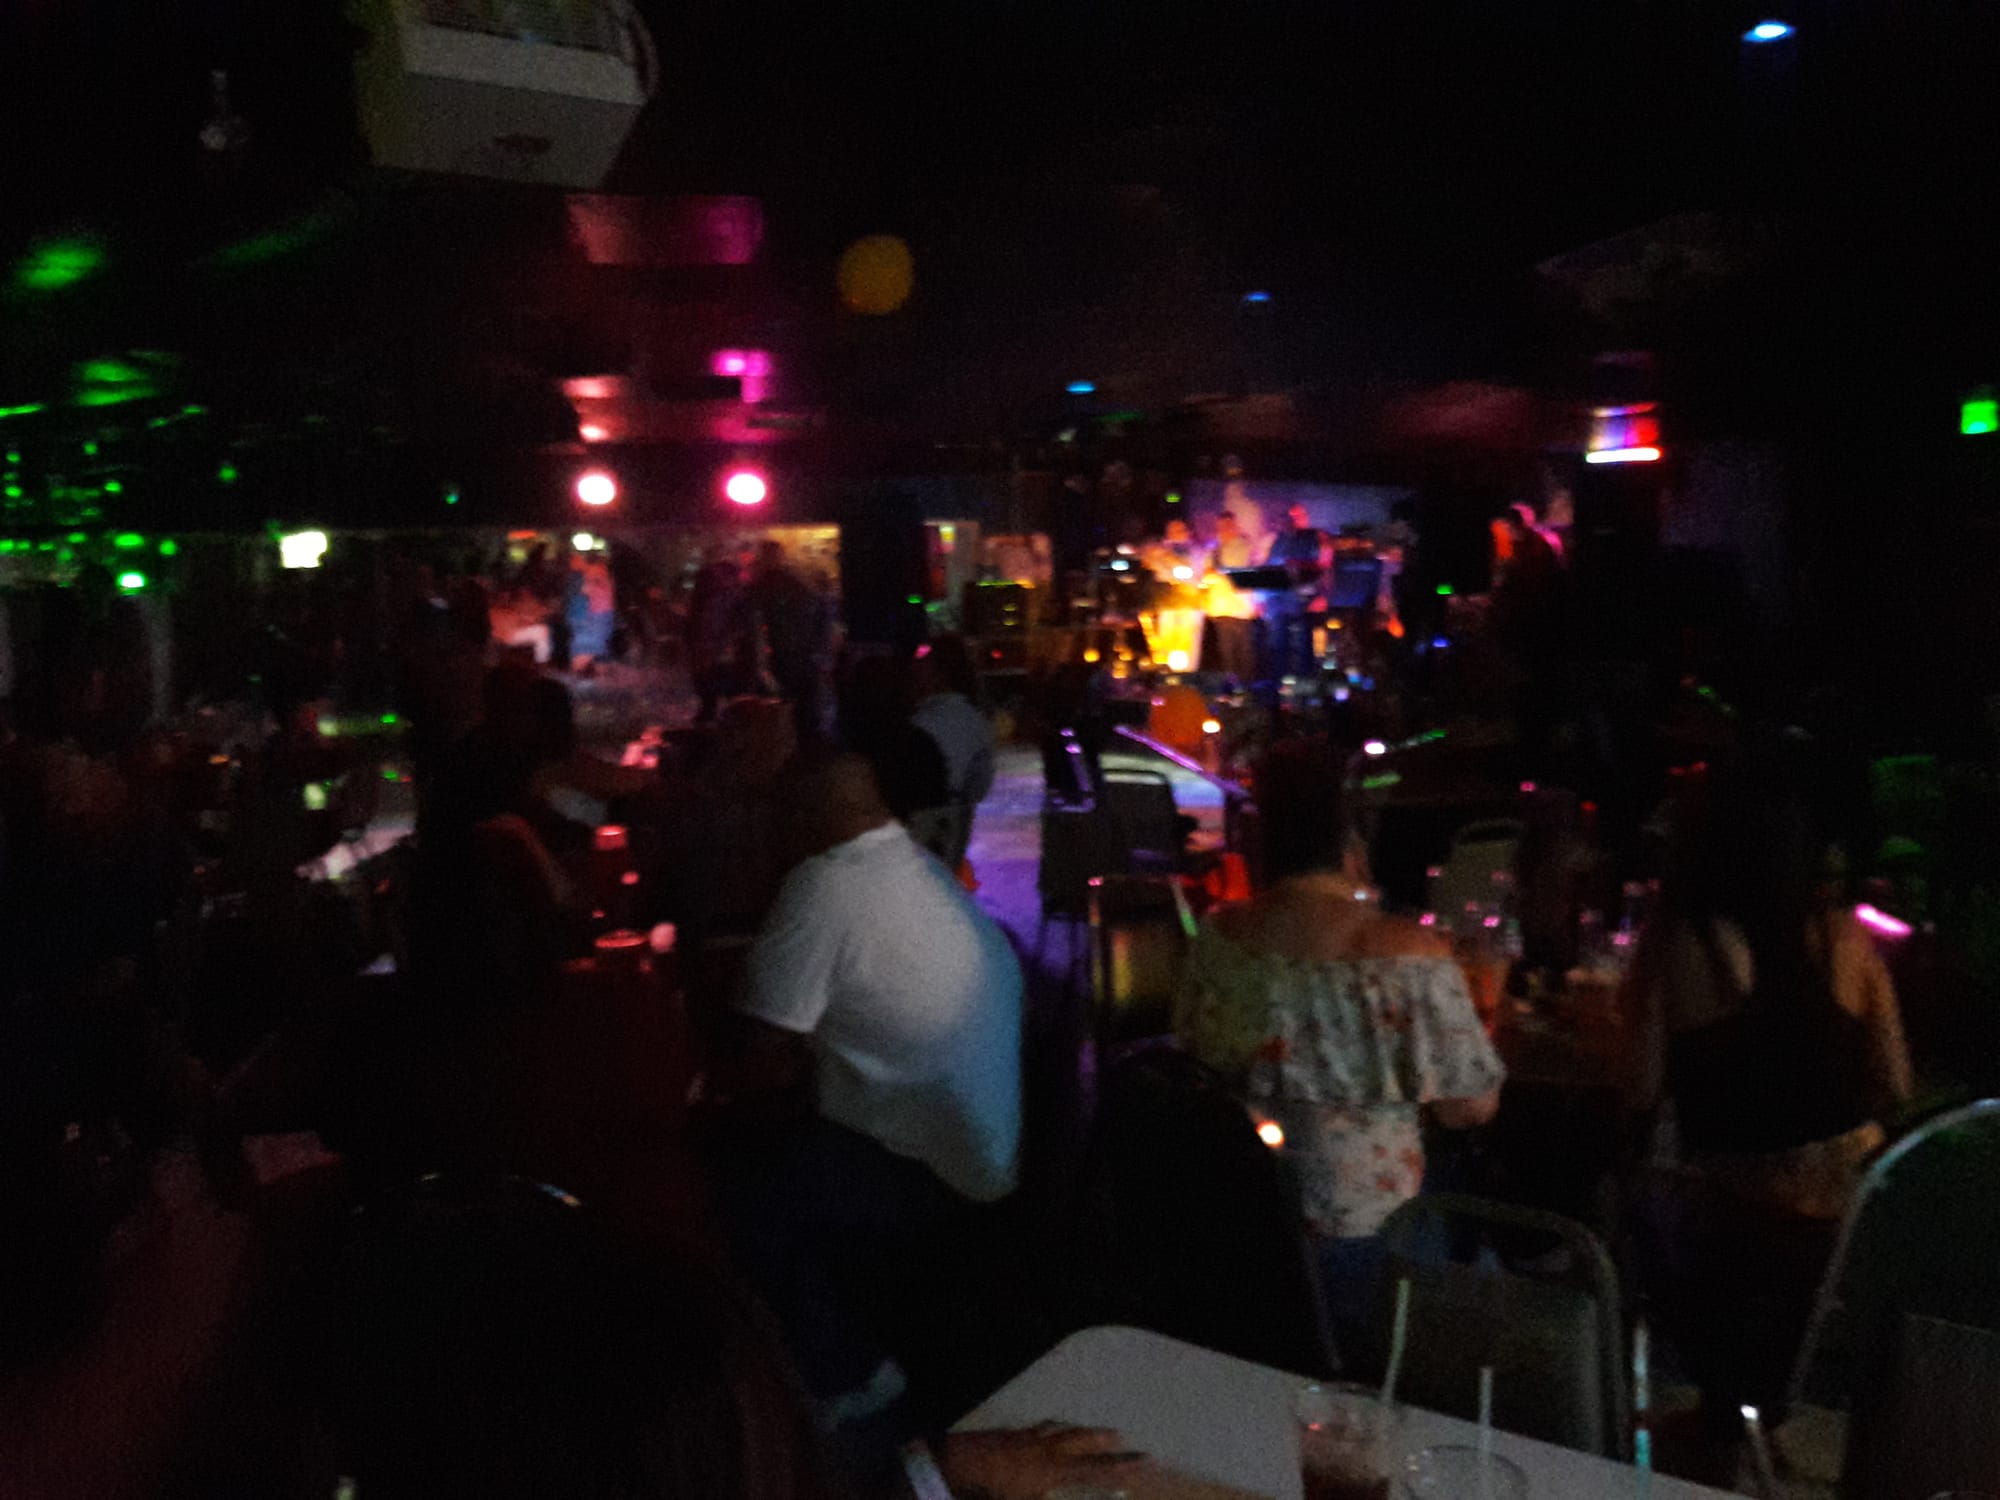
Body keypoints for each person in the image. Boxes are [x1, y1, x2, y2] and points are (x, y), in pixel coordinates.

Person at [710, 752, 1024, 1420]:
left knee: (735, 1181)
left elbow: (758, 1053)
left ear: (801, 817)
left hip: (936, 1170)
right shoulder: (914, 864)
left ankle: (846, 1374)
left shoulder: (825, 882)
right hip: (988, 1149)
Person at [1173, 742, 1503, 1354]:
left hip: (1242, 1226)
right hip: (1373, 1241)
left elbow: (1192, 1062)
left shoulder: (1218, 939)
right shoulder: (1412, 954)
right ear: (1353, 849)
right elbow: (1470, 1108)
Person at [1629, 749, 1914, 1422]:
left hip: (1728, 1213)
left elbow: (1639, 1091)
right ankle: (1764, 1411)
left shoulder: (1680, 944)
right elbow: (1896, 1081)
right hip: (1842, 1219)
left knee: (1636, 1193)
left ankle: (1697, 1399)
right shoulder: (1843, 941)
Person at [909, 635, 997, 869]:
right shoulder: (974, 719)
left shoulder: (918, 721)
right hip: (954, 822)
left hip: (920, 822)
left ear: (938, 673)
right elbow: (981, 784)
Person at [743, 542, 832, 741]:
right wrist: (819, 653)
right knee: (805, 718)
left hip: (778, 661)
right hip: (802, 659)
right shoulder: (800, 586)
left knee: (775, 720)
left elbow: (753, 630)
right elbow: (822, 619)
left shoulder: (760, 588)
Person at [1202, 511, 1260, 686]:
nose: (1225, 530)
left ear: (1235, 526)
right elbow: (1206, 576)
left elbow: (1249, 573)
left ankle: (1247, 689)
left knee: (1245, 652)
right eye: (1221, 526)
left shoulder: (1246, 547)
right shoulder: (1213, 551)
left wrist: (1220, 574)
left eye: (1229, 525)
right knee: (1227, 653)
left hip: (1241, 608)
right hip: (1221, 608)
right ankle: (1233, 688)